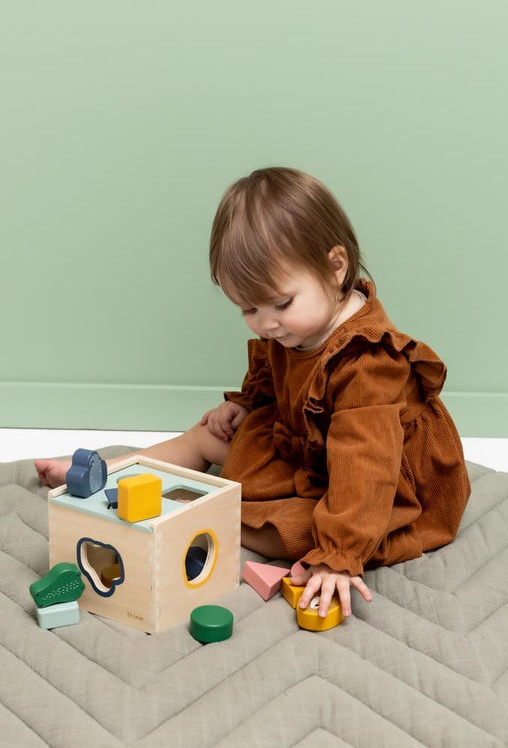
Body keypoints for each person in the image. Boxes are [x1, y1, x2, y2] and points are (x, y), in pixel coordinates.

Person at [36, 167, 471, 619]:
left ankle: (206, 515)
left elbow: (367, 468)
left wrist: (339, 556)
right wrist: (244, 404)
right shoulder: (296, 325)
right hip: (314, 449)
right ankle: (104, 474)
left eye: (281, 304)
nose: (266, 324)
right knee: (206, 436)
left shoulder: (368, 364)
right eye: (248, 308)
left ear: (335, 267)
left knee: (286, 527)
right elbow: (274, 371)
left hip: (375, 486)